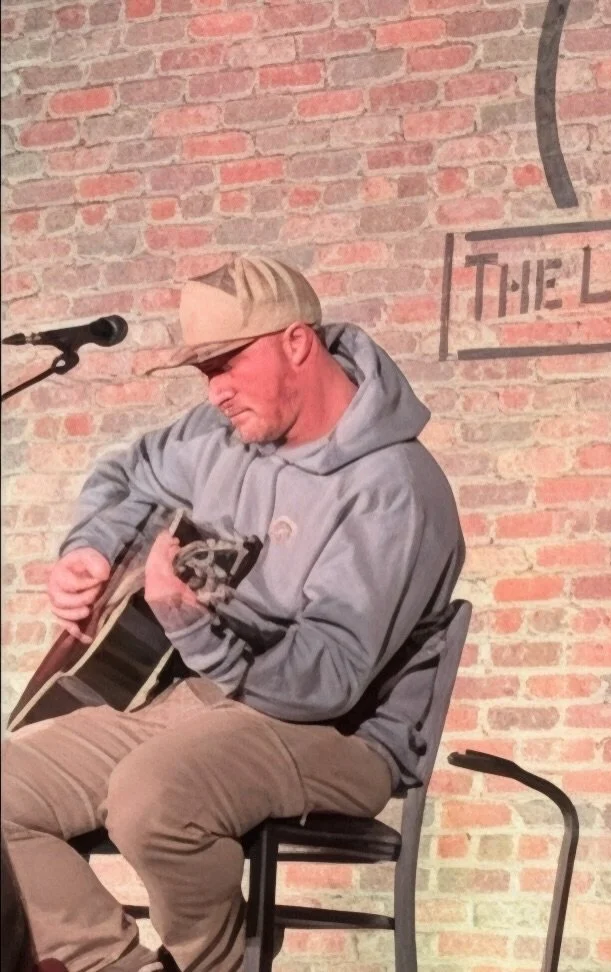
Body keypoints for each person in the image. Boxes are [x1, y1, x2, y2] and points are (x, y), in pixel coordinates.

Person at [1, 256, 465, 972]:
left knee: (152, 795)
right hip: (203, 700)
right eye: (202, 371)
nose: (215, 390)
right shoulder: (220, 437)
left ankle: (212, 962)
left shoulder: (392, 489)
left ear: (297, 343)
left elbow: (328, 681)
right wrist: (91, 548)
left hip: (340, 733)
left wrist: (190, 626)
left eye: (227, 364)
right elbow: (127, 476)